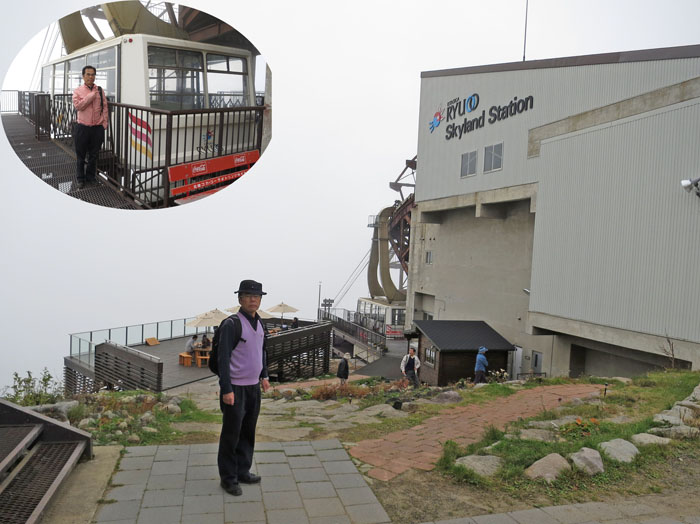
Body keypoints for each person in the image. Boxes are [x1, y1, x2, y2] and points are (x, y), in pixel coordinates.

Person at [217, 279, 271, 496]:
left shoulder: (260, 323)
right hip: (235, 389)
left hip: (253, 388)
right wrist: (226, 388)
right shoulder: (232, 324)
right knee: (231, 434)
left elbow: (261, 352)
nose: (253, 299)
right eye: (248, 296)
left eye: (256, 296)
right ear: (240, 299)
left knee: (248, 431)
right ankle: (228, 478)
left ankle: (243, 471)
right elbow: (223, 359)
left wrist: (264, 375)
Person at [72, 65, 109, 189]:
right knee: (81, 156)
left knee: (94, 155)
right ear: (83, 76)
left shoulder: (100, 90)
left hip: (97, 128)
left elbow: (105, 107)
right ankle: (80, 179)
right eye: (88, 74)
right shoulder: (77, 91)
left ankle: (91, 177)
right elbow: (78, 106)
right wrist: (91, 96)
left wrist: (104, 123)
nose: (90, 77)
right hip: (82, 127)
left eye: (93, 74)